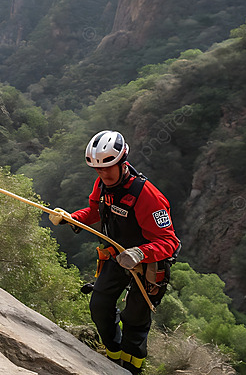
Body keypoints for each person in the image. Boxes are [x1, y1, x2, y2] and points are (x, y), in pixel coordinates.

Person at [48, 130, 180, 374]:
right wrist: (70, 218)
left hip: (147, 265)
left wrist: (139, 253)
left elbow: (169, 241)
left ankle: (132, 369)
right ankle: (112, 358)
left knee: (134, 320)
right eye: (97, 169)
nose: (103, 174)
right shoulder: (102, 184)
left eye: (108, 168)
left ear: (123, 163)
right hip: (117, 258)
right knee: (99, 306)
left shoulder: (147, 196)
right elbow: (95, 212)